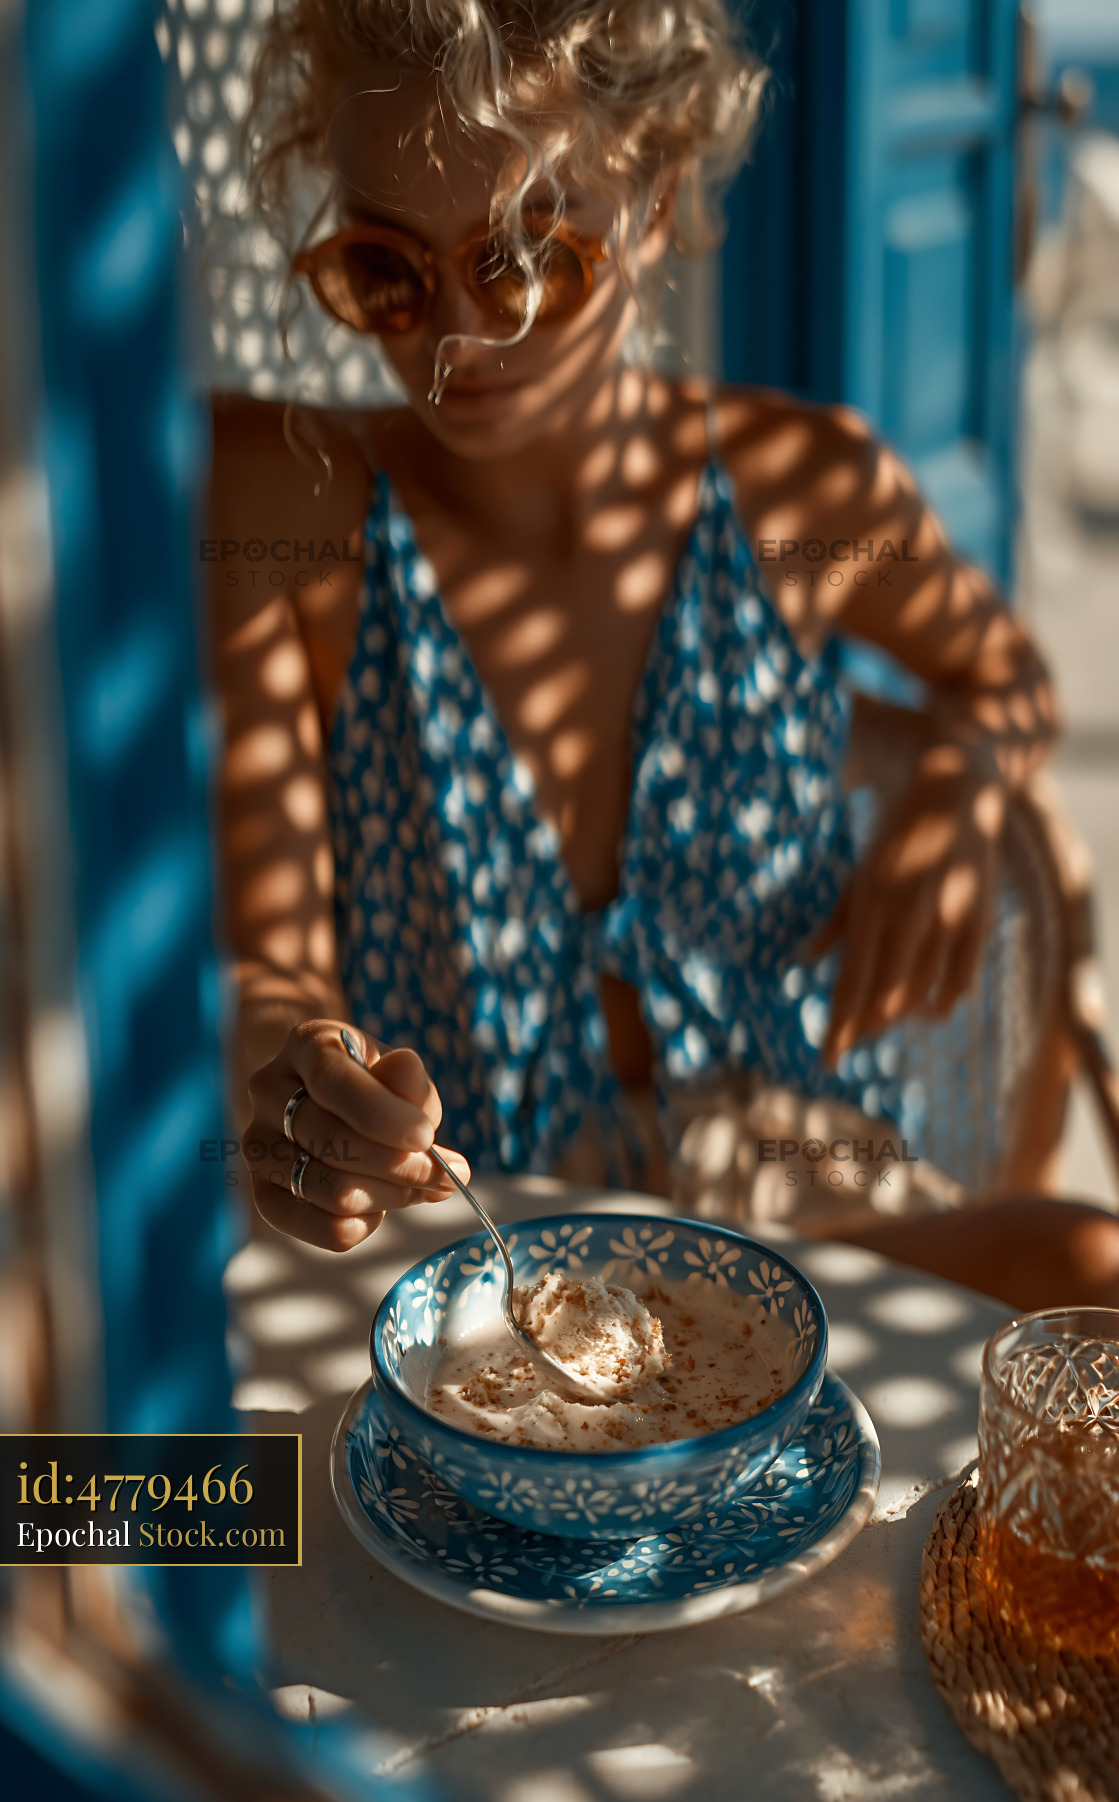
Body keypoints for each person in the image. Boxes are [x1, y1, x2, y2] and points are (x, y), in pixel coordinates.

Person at [208, 0, 1119, 1308]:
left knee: (1090, 1272)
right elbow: (270, 953)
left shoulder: (804, 491)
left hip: (802, 1222)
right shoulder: (289, 509)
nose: (461, 337)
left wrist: (964, 786)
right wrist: (305, 1074)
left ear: (656, 200)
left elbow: (1005, 676)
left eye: (527, 255)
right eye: (388, 271)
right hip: (489, 1247)